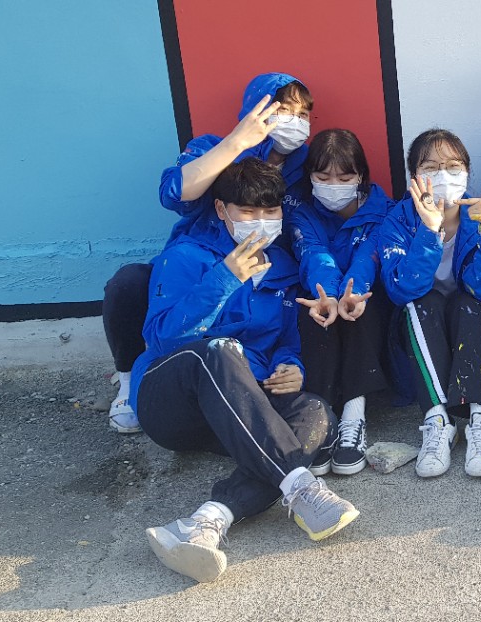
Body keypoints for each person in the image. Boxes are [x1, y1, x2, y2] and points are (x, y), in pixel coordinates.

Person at [133, 158, 358, 584]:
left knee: (315, 412)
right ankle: (300, 485)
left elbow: (285, 339)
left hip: (237, 411)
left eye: (270, 212)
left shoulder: (283, 267)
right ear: (221, 210)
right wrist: (224, 278)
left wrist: (290, 366)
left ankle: (209, 519)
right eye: (248, 211)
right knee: (219, 351)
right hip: (171, 402)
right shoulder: (185, 257)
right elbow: (160, 339)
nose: (260, 221)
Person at [103, 73, 314, 434]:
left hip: (263, 269)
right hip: (200, 263)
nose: (294, 121)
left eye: (303, 114)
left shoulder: (304, 166)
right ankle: (128, 383)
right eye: (284, 110)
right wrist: (237, 142)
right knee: (130, 284)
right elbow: (174, 193)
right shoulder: (214, 147)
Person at [378, 130, 481, 478]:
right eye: (431, 167)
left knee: (470, 302)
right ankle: (438, 421)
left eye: (453, 166)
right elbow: (403, 291)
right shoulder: (397, 221)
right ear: (414, 177)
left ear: (467, 173)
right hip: (421, 331)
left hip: (472, 323)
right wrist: (430, 232)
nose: (443, 175)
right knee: (419, 303)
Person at [289, 129, 392, 476]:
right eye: (323, 177)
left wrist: (351, 292)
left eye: (345, 178)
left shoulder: (383, 209)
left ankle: (353, 415)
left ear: (360, 175)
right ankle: (322, 420)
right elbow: (313, 253)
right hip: (323, 289)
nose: (334, 185)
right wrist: (329, 296)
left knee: (363, 307)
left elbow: (369, 256)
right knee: (312, 310)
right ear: (309, 176)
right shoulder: (302, 212)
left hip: (366, 297)